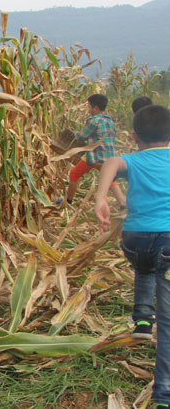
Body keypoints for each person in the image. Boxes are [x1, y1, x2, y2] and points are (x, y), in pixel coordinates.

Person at [94, 104, 170, 407]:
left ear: (135, 136)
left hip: (136, 240)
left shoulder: (133, 160)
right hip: (168, 241)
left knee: (145, 266)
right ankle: (164, 394)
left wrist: (101, 197)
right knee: (168, 319)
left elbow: (110, 162)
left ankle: (142, 320)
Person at [59, 94, 126, 207]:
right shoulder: (110, 121)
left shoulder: (93, 121)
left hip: (94, 156)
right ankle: (122, 202)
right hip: (108, 158)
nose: (88, 109)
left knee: (74, 174)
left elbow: (81, 136)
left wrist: (75, 134)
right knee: (110, 179)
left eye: (89, 107)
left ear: (95, 108)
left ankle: (68, 201)